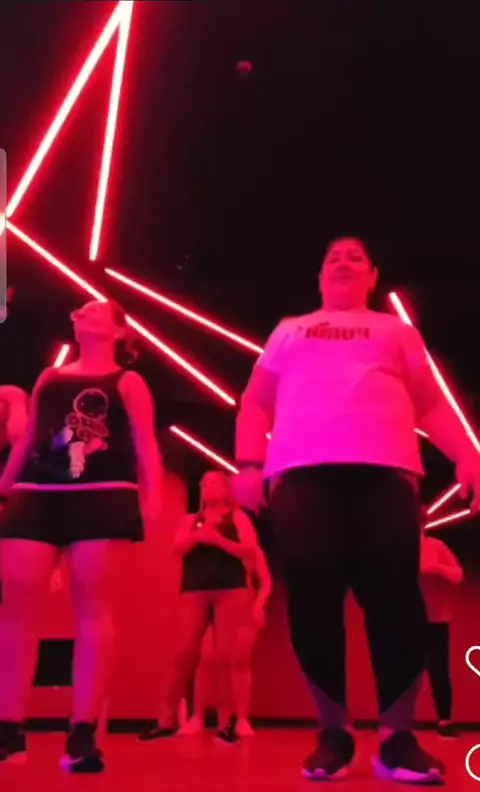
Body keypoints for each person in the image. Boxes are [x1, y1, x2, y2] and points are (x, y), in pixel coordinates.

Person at [233, 237, 480, 784]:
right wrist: (249, 463)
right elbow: (255, 400)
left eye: (355, 257)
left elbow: (430, 402)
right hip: (301, 473)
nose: (343, 262)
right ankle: (334, 734)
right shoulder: (289, 329)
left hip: (387, 473)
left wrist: (468, 454)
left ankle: (397, 738)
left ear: (372, 276)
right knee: (313, 599)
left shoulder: (395, 331)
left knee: (397, 600)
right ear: (320, 278)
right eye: (332, 258)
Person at [0, 299, 162, 772]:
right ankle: (8, 727)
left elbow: (145, 440)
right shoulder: (50, 378)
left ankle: (83, 729)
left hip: (102, 492)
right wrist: (5, 486)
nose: (84, 313)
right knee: (18, 601)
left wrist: (151, 497)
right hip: (37, 491)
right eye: (81, 310)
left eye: (97, 311)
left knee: (92, 602)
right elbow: (31, 437)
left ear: (118, 331)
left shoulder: (127, 381)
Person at [138, 470, 259, 744]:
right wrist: (196, 537)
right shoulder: (190, 520)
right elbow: (175, 548)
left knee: (226, 656)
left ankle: (226, 724)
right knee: (184, 653)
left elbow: (249, 549)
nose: (208, 487)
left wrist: (219, 541)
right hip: (195, 589)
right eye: (204, 483)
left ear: (226, 490)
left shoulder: (237, 517)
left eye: (214, 482)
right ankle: (166, 720)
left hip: (230, 588)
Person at [178, 540, 272, 737]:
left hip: (244, 611)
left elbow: (265, 583)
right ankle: (198, 718)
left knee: (239, 662)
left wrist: (258, 605)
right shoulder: (212, 552)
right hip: (217, 611)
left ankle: (241, 719)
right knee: (206, 659)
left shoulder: (252, 551)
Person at [420, 511, 463, 738]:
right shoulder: (397, 548)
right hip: (405, 618)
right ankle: (397, 724)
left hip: (436, 617)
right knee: (399, 671)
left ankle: (445, 719)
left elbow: (457, 575)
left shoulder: (436, 546)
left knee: (439, 670)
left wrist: (437, 569)